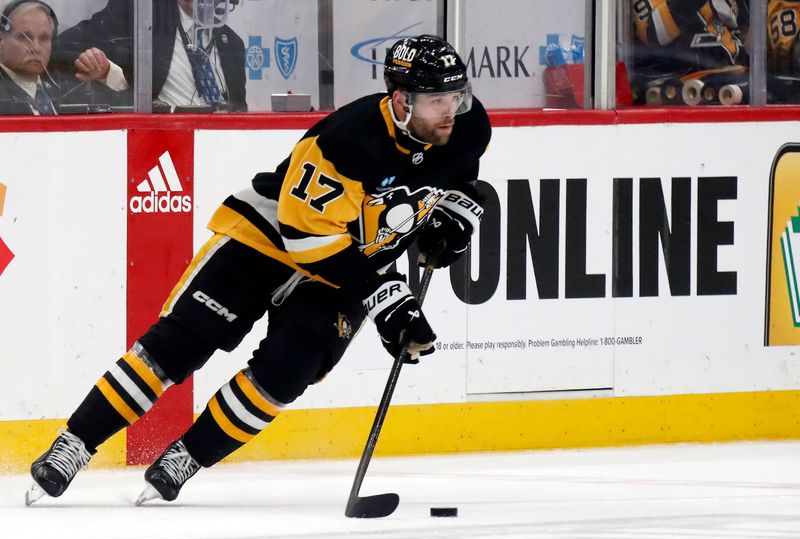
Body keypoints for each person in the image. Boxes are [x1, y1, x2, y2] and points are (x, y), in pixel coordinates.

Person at [25, 34, 491, 506]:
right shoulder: (346, 142)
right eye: (437, 100)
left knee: (289, 372)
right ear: (400, 101)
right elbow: (309, 240)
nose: (451, 109)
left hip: (350, 261)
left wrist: (457, 211)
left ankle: (186, 455)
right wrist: (385, 294)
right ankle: (74, 444)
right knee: (180, 344)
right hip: (269, 236)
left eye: (456, 95)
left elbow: (456, 177)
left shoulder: (467, 126)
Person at [53, 0, 247, 111]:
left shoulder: (233, 43)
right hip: (160, 143)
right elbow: (64, 47)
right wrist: (109, 73)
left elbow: (240, 110)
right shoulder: (140, 13)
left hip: (221, 146)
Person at [0, 0, 59, 114]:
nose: (36, 48)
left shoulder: (63, 82)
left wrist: (103, 73)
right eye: (24, 38)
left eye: (44, 38)